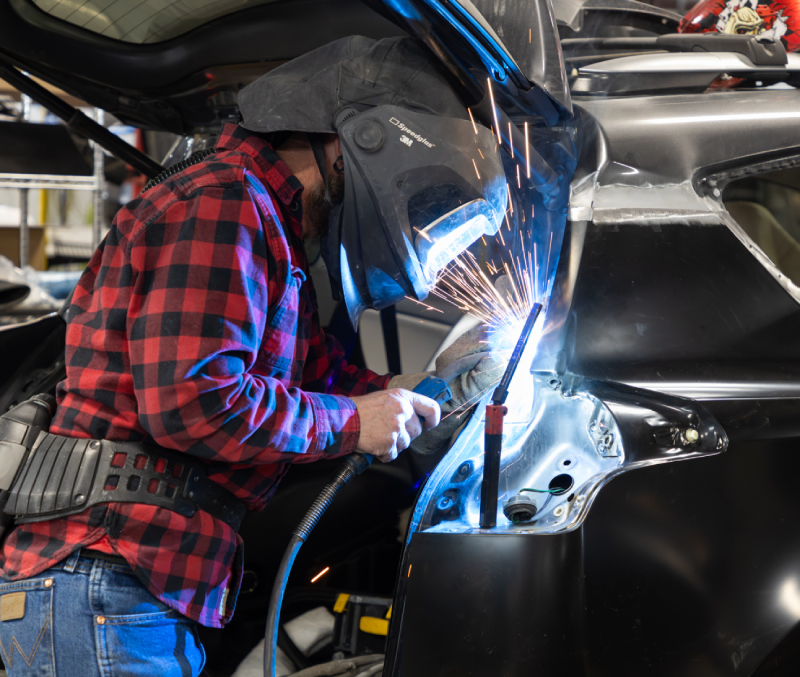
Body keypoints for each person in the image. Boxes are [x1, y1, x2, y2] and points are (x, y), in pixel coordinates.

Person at [0, 35, 505, 675]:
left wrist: (440, 377)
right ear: (366, 140)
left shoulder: (274, 237)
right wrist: (358, 422)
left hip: (139, 588)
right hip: (106, 574)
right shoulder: (222, 203)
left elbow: (330, 385)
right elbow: (194, 401)